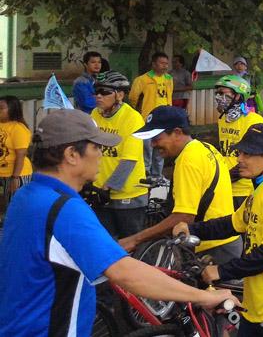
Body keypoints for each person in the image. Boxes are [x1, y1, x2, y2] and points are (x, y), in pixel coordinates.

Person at [0, 109, 237, 336]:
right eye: (96, 147)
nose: (102, 154)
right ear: (72, 155)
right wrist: (202, 296)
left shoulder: (27, 195)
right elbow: (125, 273)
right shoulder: (65, 209)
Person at [175, 123, 263, 336]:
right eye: (240, 152)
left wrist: (220, 271)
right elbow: (231, 224)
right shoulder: (262, 188)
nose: (239, 159)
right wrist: (192, 229)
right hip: (259, 300)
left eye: (248, 154)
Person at [118, 106, 242, 261]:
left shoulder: (187, 160)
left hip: (212, 248)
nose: (152, 145)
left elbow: (184, 217)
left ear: (177, 132)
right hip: (227, 241)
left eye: (157, 138)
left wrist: (134, 240)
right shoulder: (205, 147)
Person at [89, 71, 148, 238]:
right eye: (96, 92)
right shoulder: (95, 114)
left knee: (129, 244)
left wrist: (108, 187)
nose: (98, 96)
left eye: (105, 92)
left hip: (127, 194)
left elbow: (129, 160)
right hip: (100, 192)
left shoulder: (133, 118)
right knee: (104, 244)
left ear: (120, 95)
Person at [215, 75, 263, 209]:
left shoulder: (253, 121)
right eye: (217, 93)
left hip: (242, 189)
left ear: (238, 96)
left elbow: (254, 157)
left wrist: (226, 177)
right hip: (223, 185)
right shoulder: (222, 119)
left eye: (222, 93)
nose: (218, 97)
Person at [130, 52, 175, 177]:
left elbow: (169, 97)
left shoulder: (169, 79)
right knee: (147, 150)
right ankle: (145, 175)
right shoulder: (142, 80)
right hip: (147, 120)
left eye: (166, 63)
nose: (165, 66)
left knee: (160, 150)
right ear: (154, 64)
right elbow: (133, 98)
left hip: (163, 120)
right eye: (162, 63)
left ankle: (157, 176)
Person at [0, 96, 31, 221]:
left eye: (1, 108)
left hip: (16, 174)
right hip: (2, 172)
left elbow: (21, 155)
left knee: (14, 207)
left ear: (12, 109)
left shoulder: (18, 128)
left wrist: (15, 177)